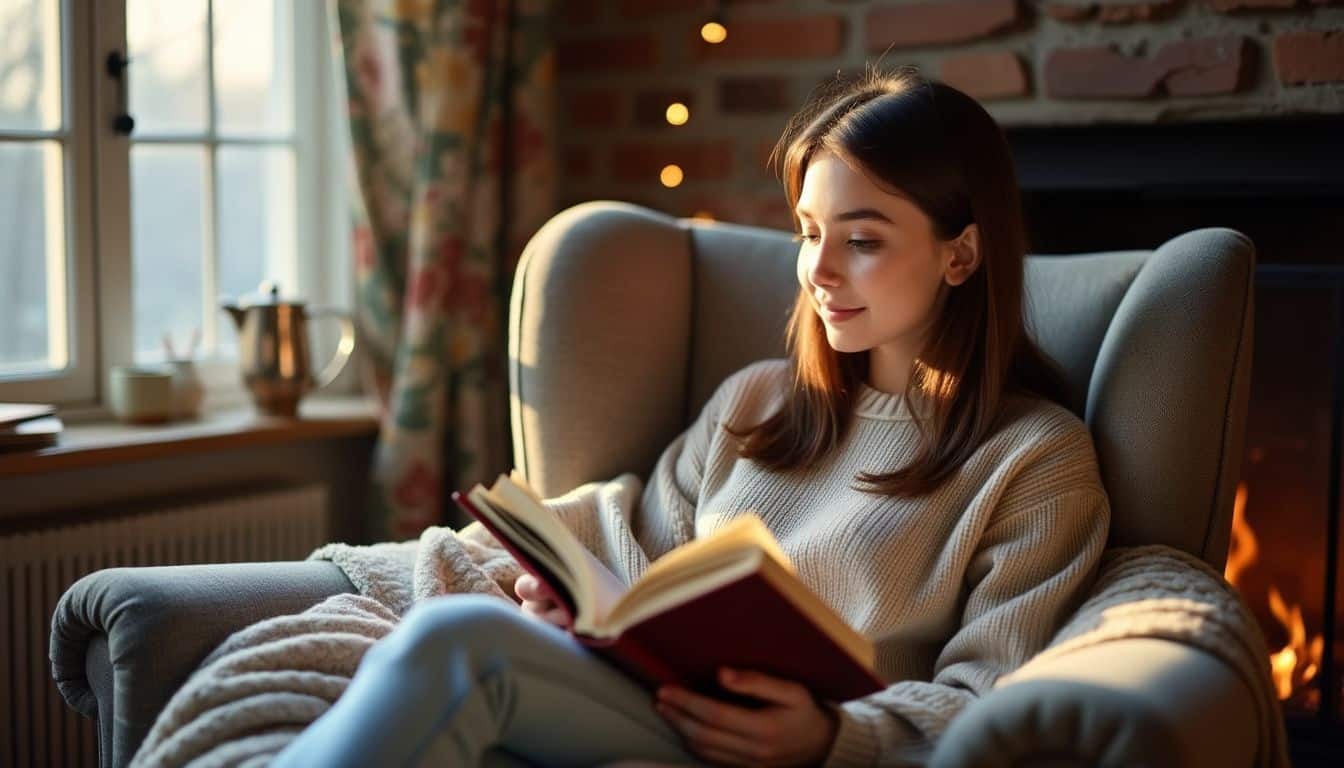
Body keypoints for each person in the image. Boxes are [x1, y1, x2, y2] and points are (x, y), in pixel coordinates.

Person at [272, 68, 1111, 767]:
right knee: (468, 631)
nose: (817, 270)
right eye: (808, 230)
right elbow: (646, 565)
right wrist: (584, 610)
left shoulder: (1036, 459)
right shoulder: (756, 400)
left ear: (960, 254)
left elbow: (997, 698)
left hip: (786, 751)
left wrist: (833, 735)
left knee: (459, 645)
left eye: (861, 240)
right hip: (655, 704)